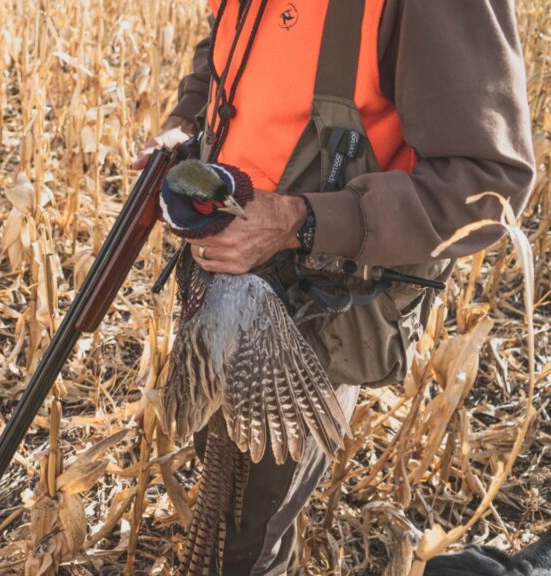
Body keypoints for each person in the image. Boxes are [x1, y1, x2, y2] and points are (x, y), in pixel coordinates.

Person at [134, 0, 536, 574]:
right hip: (222, 274)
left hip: (317, 299)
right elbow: (226, 52)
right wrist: (186, 122)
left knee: (242, 540)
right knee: (222, 489)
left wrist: (299, 220)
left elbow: (487, 185)